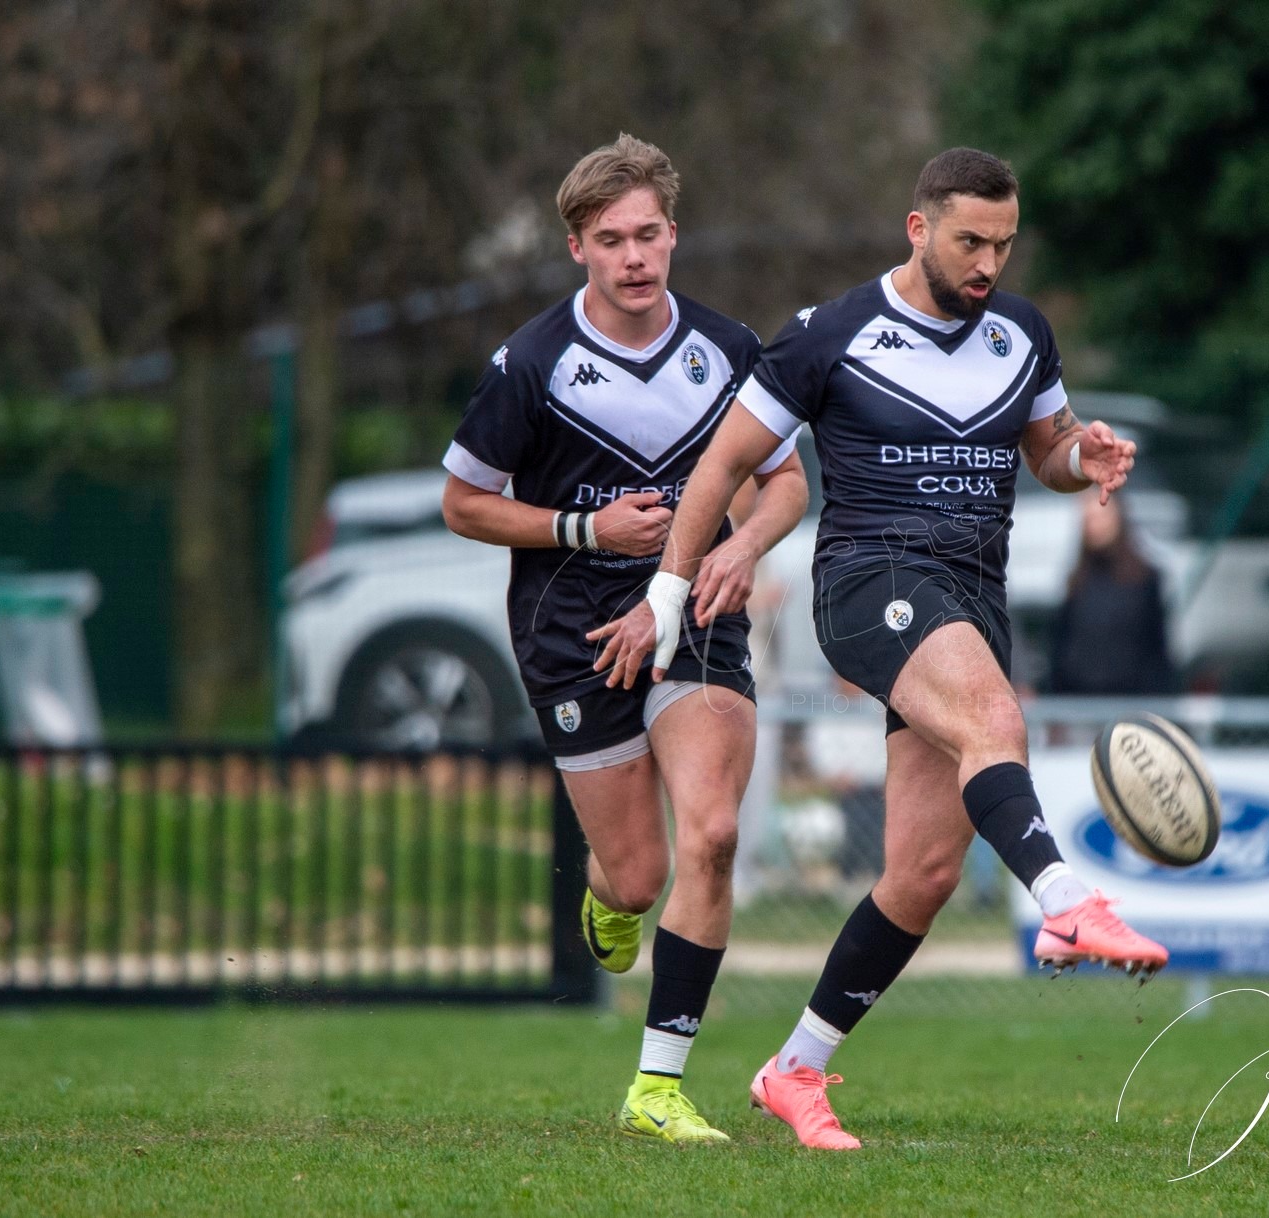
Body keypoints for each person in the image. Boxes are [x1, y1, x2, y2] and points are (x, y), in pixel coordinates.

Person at [589, 147, 1170, 1151]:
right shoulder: (831, 335)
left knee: (924, 872)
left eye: (1003, 243)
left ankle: (795, 1070)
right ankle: (1067, 899)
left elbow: (1050, 448)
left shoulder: (1022, 334)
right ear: (918, 229)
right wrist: (671, 591)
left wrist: (1089, 457)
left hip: (973, 599)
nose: (988, 262)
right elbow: (725, 461)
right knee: (997, 721)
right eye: (969, 241)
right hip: (873, 584)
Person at [440, 135, 808, 1145]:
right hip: (572, 630)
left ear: (674, 235)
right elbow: (463, 503)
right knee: (638, 876)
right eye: (612, 240)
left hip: (694, 615)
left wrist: (740, 553)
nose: (635, 256)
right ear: (577, 250)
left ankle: (657, 1084)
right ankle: (612, 899)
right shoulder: (532, 364)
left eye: (649, 234)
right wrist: (582, 528)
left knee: (717, 833)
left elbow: (785, 483)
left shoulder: (731, 351)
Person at [1044, 495, 1177, 695]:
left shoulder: (1145, 580)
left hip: (1134, 700)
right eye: (1089, 519)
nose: (1095, 526)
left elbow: (1157, 650)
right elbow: (1061, 651)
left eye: (1100, 518)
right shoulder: (1076, 582)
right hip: (1081, 703)